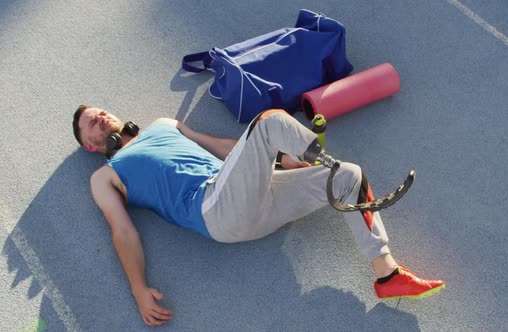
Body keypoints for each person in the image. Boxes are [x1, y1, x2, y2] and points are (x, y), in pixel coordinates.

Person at [73, 105, 445, 326]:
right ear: (90, 145)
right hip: (214, 209)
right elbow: (122, 230)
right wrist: (138, 287)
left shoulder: (163, 125)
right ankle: (318, 154)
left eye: (101, 111)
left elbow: (220, 147)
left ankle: (388, 275)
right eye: (91, 122)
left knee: (348, 175)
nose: (101, 118)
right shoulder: (105, 175)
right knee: (268, 121)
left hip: (250, 191)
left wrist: (282, 161)